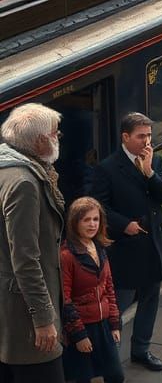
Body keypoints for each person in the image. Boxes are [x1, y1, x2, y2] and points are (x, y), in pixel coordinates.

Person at [90, 112, 162, 372]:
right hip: (125, 249)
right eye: (141, 136)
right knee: (118, 304)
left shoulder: (155, 161)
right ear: (125, 137)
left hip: (153, 245)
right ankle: (110, 358)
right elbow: (99, 205)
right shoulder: (107, 167)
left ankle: (141, 350)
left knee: (150, 299)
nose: (147, 141)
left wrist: (150, 173)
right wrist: (123, 224)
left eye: (149, 135)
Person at [0, 103, 65, 383]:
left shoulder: (6, 168)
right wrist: (43, 318)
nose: (58, 137)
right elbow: (26, 259)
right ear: (40, 141)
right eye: (55, 133)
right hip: (23, 318)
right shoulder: (24, 183)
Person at [60, 197, 123, 383]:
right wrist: (79, 335)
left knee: (116, 375)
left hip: (103, 324)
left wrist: (114, 323)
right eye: (86, 220)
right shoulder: (66, 256)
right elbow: (65, 298)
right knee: (83, 378)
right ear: (75, 222)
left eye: (95, 219)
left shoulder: (98, 247)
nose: (92, 224)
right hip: (82, 326)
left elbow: (109, 287)